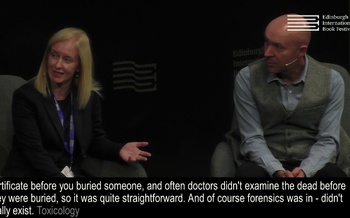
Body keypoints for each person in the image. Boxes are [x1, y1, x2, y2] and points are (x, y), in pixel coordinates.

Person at [1, 27, 151, 177]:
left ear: (79, 65)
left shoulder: (88, 97)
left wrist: (118, 150)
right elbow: (34, 152)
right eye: (54, 55)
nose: (57, 65)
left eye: (67, 59)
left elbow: (94, 141)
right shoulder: (26, 97)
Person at [232, 14, 347, 177]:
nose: (267, 53)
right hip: (265, 159)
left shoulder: (332, 81)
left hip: (312, 159)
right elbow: (251, 137)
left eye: (278, 47)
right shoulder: (247, 77)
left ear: (301, 51)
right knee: (247, 176)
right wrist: (275, 169)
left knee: (334, 178)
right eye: (267, 42)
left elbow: (328, 140)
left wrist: (306, 170)